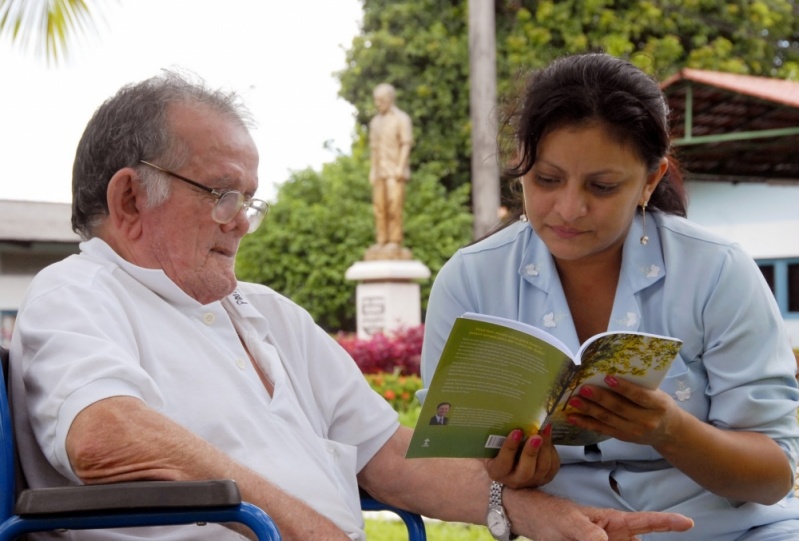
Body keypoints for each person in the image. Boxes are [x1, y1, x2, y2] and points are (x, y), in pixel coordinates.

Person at [8, 70, 694, 541]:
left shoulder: (267, 311)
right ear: (131, 198)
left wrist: (530, 511)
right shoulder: (80, 293)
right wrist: (304, 527)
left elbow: (389, 452)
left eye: (248, 198)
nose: (242, 220)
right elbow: (105, 436)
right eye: (222, 194)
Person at [419, 52, 799, 540]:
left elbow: (773, 477)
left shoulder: (716, 270)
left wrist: (671, 431)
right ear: (521, 164)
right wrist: (508, 483)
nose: (569, 209)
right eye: (547, 179)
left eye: (602, 186)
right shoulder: (472, 281)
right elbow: (446, 457)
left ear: (651, 180)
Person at [367, 83, 413, 256]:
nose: (378, 104)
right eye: (376, 100)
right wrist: (372, 170)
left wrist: (401, 167)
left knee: (394, 205)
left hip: (395, 171)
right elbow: (374, 149)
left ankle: (394, 241)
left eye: (381, 100)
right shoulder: (375, 123)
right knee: (379, 207)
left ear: (389, 99)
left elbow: (406, 144)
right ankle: (381, 240)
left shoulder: (401, 118)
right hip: (380, 171)